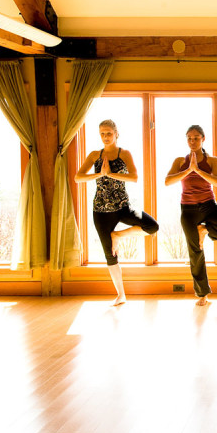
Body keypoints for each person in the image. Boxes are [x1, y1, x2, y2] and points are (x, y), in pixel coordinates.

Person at [75, 119, 159, 306]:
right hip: (101, 210)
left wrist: (110, 174)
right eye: (102, 134)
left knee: (152, 226)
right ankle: (121, 294)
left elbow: (134, 177)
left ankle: (118, 235)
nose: (105, 137)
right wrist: (99, 174)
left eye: (109, 133)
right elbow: (78, 177)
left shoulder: (124, 154)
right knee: (110, 255)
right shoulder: (95, 155)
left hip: (123, 206)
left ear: (116, 134)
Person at [165, 125, 217, 306]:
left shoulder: (212, 161)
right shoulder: (180, 161)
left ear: (203, 139)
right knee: (195, 253)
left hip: (209, 207)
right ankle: (202, 294)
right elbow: (167, 181)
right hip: (188, 211)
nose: (192, 141)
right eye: (189, 138)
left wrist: (198, 170)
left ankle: (205, 230)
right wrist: (189, 169)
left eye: (196, 138)